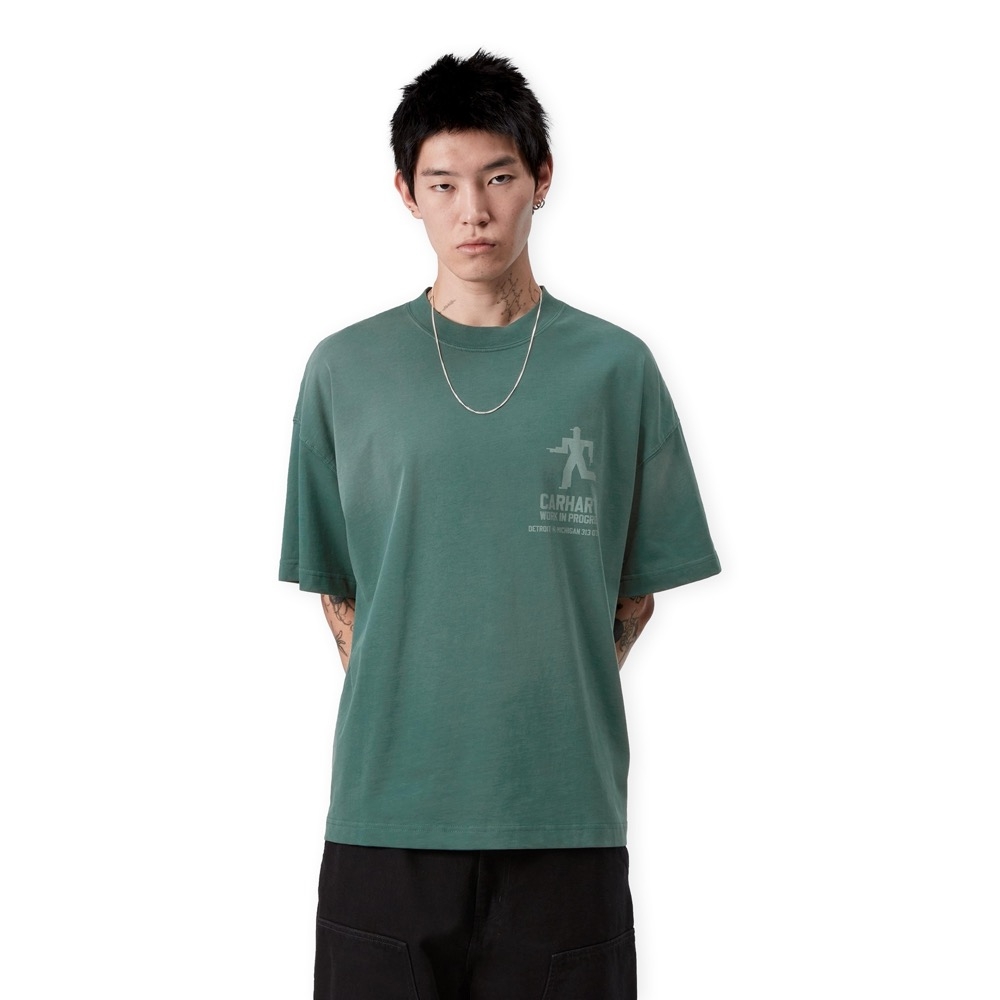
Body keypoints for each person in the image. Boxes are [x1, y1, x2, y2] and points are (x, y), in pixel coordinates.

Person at [279, 50, 721, 1000]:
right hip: (386, 823)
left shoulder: (617, 370)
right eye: (443, 184)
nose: (472, 210)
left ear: (542, 179)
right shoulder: (343, 371)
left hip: (564, 825)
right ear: (406, 193)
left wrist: (536, 710)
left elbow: (635, 592)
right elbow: (340, 593)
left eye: (499, 178)